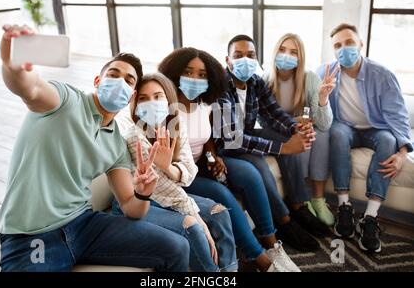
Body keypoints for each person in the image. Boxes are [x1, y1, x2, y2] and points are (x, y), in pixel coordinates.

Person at [0, 24, 190, 272]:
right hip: (32, 237)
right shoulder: (65, 101)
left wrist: (143, 192)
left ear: (131, 96)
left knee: (178, 247)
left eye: (129, 80)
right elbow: (29, 87)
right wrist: (12, 66)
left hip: (85, 226)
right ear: (98, 80)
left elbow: (131, 207)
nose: (120, 82)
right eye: (113, 74)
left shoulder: (116, 143)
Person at [158, 47, 300, 272]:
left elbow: (207, 141)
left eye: (202, 74)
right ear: (175, 74)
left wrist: (211, 157)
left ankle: (272, 245)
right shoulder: (165, 108)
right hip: (179, 175)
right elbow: (169, 159)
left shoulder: (206, 103)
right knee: (222, 194)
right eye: (189, 72)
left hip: (201, 164)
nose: (195, 79)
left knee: (250, 173)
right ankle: (259, 258)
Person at [214, 34, 331, 253]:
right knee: (258, 164)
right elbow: (232, 138)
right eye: (238, 56)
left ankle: (297, 206)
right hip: (227, 146)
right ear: (227, 60)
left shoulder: (255, 82)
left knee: (288, 136)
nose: (245, 60)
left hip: (247, 135)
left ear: (257, 58)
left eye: (250, 55)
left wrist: (295, 129)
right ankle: (284, 221)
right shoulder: (221, 87)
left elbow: (274, 114)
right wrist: (283, 147)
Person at [114, 72, 237, 272]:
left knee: (219, 213)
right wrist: (196, 217)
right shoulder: (135, 136)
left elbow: (189, 172)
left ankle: (230, 271)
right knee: (193, 227)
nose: (151, 103)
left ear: (168, 99)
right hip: (138, 202)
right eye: (143, 99)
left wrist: (167, 166)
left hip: (165, 196)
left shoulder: (176, 126)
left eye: (157, 96)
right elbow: (163, 188)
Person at [317, 23, 413, 253]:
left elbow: (399, 117)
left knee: (389, 140)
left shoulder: (382, 75)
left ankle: (370, 216)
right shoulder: (325, 72)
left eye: (349, 42)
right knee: (337, 133)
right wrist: (322, 96)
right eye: (338, 45)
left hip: (375, 128)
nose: (344, 49)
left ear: (360, 44)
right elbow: (318, 116)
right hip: (346, 127)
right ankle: (344, 208)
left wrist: (402, 154)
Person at [260, 33, 336, 226]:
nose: (287, 55)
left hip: (303, 129)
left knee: (322, 133)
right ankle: (301, 199)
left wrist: (322, 99)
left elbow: (324, 123)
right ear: (275, 52)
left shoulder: (309, 78)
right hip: (281, 131)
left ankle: (317, 199)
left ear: (300, 57)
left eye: (293, 52)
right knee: (298, 135)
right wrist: (293, 122)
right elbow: (263, 123)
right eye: (283, 50)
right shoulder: (264, 80)